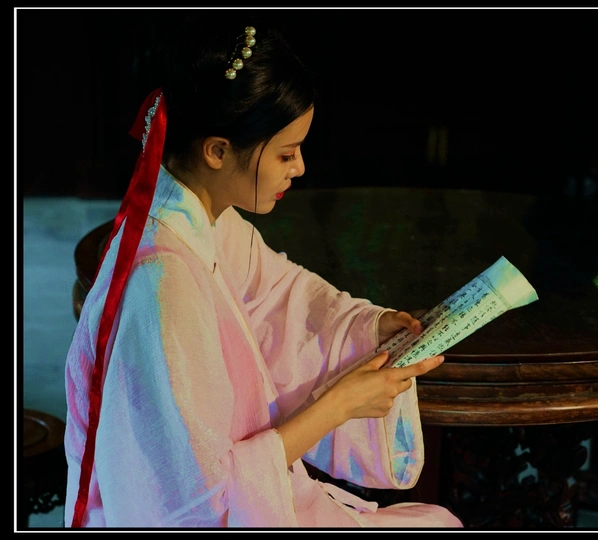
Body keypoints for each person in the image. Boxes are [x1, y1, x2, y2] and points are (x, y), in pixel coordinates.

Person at [63, 12, 463, 529]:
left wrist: (370, 326)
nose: (299, 168)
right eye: (286, 153)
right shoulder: (163, 284)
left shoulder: (201, 219)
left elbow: (280, 295)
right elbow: (195, 503)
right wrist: (337, 405)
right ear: (217, 151)